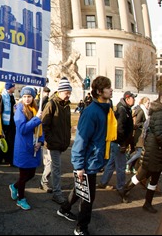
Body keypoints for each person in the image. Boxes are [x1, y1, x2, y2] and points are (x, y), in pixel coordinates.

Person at [57, 76, 116, 235]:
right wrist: (78, 167)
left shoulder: (106, 109)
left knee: (81, 189)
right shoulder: (91, 112)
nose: (111, 89)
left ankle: (64, 209)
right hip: (88, 163)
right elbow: (80, 141)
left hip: (94, 160)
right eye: (108, 87)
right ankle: (81, 228)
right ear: (98, 91)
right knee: (88, 198)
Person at [123, 78, 162, 213]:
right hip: (154, 151)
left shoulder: (160, 110)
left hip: (156, 151)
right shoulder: (160, 112)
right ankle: (125, 190)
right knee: (142, 175)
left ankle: (147, 202)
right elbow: (159, 134)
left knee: (153, 178)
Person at [8, 86, 44, 210]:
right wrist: (36, 119)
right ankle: (21, 198)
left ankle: (14, 186)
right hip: (23, 147)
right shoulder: (19, 110)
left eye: (29, 96)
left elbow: (40, 129)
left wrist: (40, 141)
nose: (27, 99)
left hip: (34, 147)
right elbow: (22, 129)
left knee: (32, 174)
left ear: (33, 97)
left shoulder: (35, 109)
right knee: (23, 176)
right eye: (24, 96)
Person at [97, 90, 136, 203]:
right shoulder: (122, 110)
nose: (134, 100)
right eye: (133, 98)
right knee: (121, 167)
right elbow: (119, 129)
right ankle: (121, 188)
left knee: (111, 163)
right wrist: (122, 143)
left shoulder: (125, 109)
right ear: (127, 98)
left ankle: (103, 182)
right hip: (119, 142)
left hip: (118, 142)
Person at [40, 77, 72, 204]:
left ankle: (43, 181)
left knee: (52, 165)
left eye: (69, 92)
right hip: (53, 142)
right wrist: (48, 140)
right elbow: (44, 124)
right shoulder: (51, 104)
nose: (68, 95)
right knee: (57, 168)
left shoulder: (67, 106)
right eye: (66, 92)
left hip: (61, 142)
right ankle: (57, 193)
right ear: (60, 91)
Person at [126, 96, 150, 174]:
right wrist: (145, 124)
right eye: (147, 103)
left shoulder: (145, 111)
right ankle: (126, 163)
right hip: (139, 135)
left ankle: (131, 167)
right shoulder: (141, 111)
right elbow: (137, 123)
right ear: (144, 103)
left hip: (142, 134)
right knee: (139, 152)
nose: (148, 105)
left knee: (137, 152)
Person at [0, 82, 16, 166]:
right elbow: (0, 111)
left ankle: (8, 158)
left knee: (10, 141)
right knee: (6, 141)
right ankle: (3, 158)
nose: (15, 88)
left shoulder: (11, 96)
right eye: (13, 87)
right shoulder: (2, 96)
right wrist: (0, 125)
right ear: (10, 88)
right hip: (5, 124)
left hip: (11, 122)